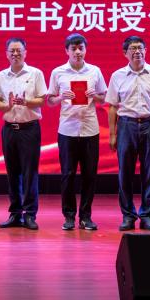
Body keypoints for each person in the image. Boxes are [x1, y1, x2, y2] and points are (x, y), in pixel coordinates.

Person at [106, 35, 150, 232]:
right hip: (126, 125)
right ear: (125, 53)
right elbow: (112, 107)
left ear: (145, 51)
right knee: (125, 172)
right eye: (133, 48)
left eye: (140, 48)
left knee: (149, 172)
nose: (137, 51)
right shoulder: (117, 76)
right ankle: (128, 215)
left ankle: (147, 216)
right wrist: (112, 134)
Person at [47, 33, 108, 232]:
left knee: (90, 175)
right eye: (73, 49)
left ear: (86, 49)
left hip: (90, 129)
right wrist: (60, 97)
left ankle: (86, 216)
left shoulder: (95, 71)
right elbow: (49, 101)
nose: (78, 52)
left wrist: (95, 95)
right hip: (67, 130)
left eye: (81, 48)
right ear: (67, 51)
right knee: (68, 174)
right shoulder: (58, 72)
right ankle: (69, 216)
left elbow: (104, 98)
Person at [0, 37, 47, 231]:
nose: (15, 54)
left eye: (19, 50)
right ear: (6, 54)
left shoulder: (35, 73)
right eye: (12, 51)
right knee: (12, 172)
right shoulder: (0, 76)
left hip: (29, 128)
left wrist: (27, 102)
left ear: (25, 52)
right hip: (9, 129)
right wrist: (6, 105)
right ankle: (15, 213)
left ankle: (30, 214)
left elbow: (42, 100)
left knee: (30, 173)